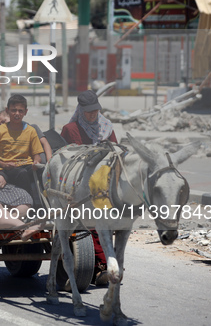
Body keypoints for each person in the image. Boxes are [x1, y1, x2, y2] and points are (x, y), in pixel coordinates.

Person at [60, 90, 117, 288]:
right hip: (78, 185)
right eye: (88, 112)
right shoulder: (70, 129)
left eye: (95, 111)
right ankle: (100, 266)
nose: (92, 115)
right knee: (90, 225)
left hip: (103, 184)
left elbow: (115, 153)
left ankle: (106, 264)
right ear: (81, 110)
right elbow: (66, 159)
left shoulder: (106, 127)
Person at [0, 95, 44, 200]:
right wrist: (4, 164)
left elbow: (37, 155)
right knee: (22, 174)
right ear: (7, 110)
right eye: (14, 110)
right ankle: (29, 203)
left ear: (25, 112)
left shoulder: (31, 131)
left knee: (44, 172)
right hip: (6, 168)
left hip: (26, 165)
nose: (17, 114)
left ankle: (48, 204)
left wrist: (36, 162)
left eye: (20, 111)